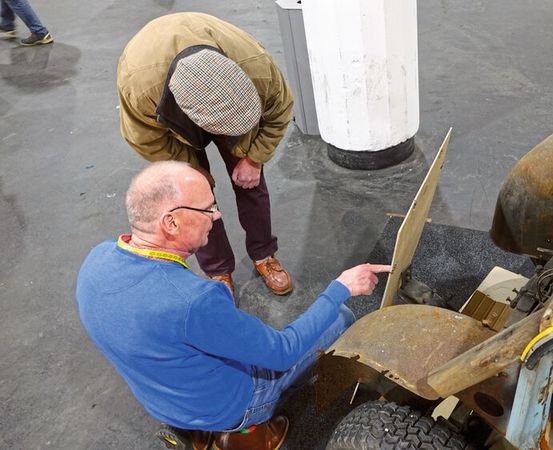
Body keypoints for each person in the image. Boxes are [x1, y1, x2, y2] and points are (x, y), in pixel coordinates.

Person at [76, 161, 390, 448]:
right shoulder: (194, 301)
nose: (216, 215)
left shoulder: (96, 259)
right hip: (229, 406)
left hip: (161, 400)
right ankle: (248, 429)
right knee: (340, 316)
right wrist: (340, 288)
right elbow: (281, 352)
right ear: (170, 223)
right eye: (206, 209)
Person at [117, 12, 295, 297]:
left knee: (251, 182)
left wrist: (254, 158)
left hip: (227, 92)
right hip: (170, 115)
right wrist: (192, 170)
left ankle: (263, 255)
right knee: (193, 202)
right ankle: (217, 269)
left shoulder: (258, 71)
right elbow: (145, 140)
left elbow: (279, 112)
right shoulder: (141, 89)